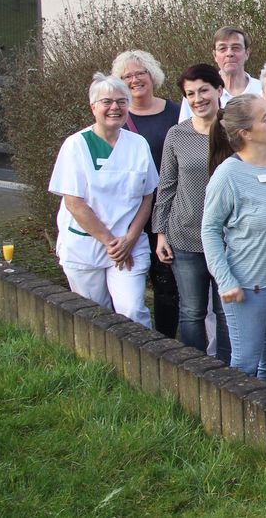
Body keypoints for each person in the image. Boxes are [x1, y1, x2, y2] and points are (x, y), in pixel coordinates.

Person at [201, 94, 266, 388]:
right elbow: (209, 230)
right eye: (265, 117)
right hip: (247, 285)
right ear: (245, 133)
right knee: (245, 363)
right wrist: (224, 279)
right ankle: (234, 428)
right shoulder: (228, 174)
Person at [48, 73, 157, 327]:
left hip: (128, 245)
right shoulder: (76, 145)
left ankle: (143, 363)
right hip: (86, 247)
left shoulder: (138, 144)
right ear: (93, 107)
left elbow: (148, 194)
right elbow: (74, 202)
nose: (115, 108)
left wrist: (129, 239)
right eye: (107, 101)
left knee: (131, 310)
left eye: (122, 101)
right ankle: (103, 365)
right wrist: (110, 243)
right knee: (94, 315)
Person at [155, 64, 231, 363]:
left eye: (203, 90)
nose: (197, 98)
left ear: (219, 90)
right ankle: (195, 372)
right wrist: (161, 234)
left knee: (227, 311)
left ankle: (228, 374)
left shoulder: (235, 130)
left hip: (228, 237)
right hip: (185, 236)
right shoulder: (177, 134)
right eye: (190, 94)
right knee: (192, 311)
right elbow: (167, 186)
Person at [110, 50, 181, 337]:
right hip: (133, 215)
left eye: (140, 72)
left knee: (168, 286)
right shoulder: (115, 117)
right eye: (127, 76)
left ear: (153, 75)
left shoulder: (176, 112)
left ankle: (166, 343)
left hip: (172, 212)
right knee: (134, 284)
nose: (135, 79)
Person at [178, 26, 262, 121]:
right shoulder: (195, 93)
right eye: (222, 48)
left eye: (236, 48)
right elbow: (184, 130)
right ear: (215, 55)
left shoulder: (262, 90)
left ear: (247, 53)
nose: (229, 53)